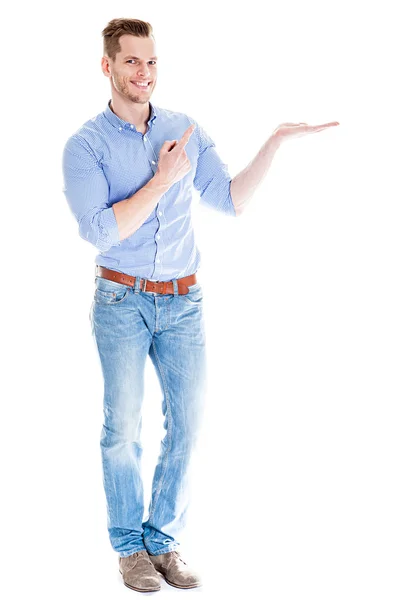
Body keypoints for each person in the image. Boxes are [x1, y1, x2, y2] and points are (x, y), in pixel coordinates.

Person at [61, 17, 339, 593]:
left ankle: (162, 541)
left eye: (153, 61)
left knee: (187, 425)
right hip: (120, 299)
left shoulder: (185, 129)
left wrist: (275, 142)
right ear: (107, 66)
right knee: (124, 429)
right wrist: (163, 180)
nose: (145, 73)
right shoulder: (85, 145)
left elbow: (231, 200)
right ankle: (128, 548)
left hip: (184, 303)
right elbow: (101, 231)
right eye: (132, 61)